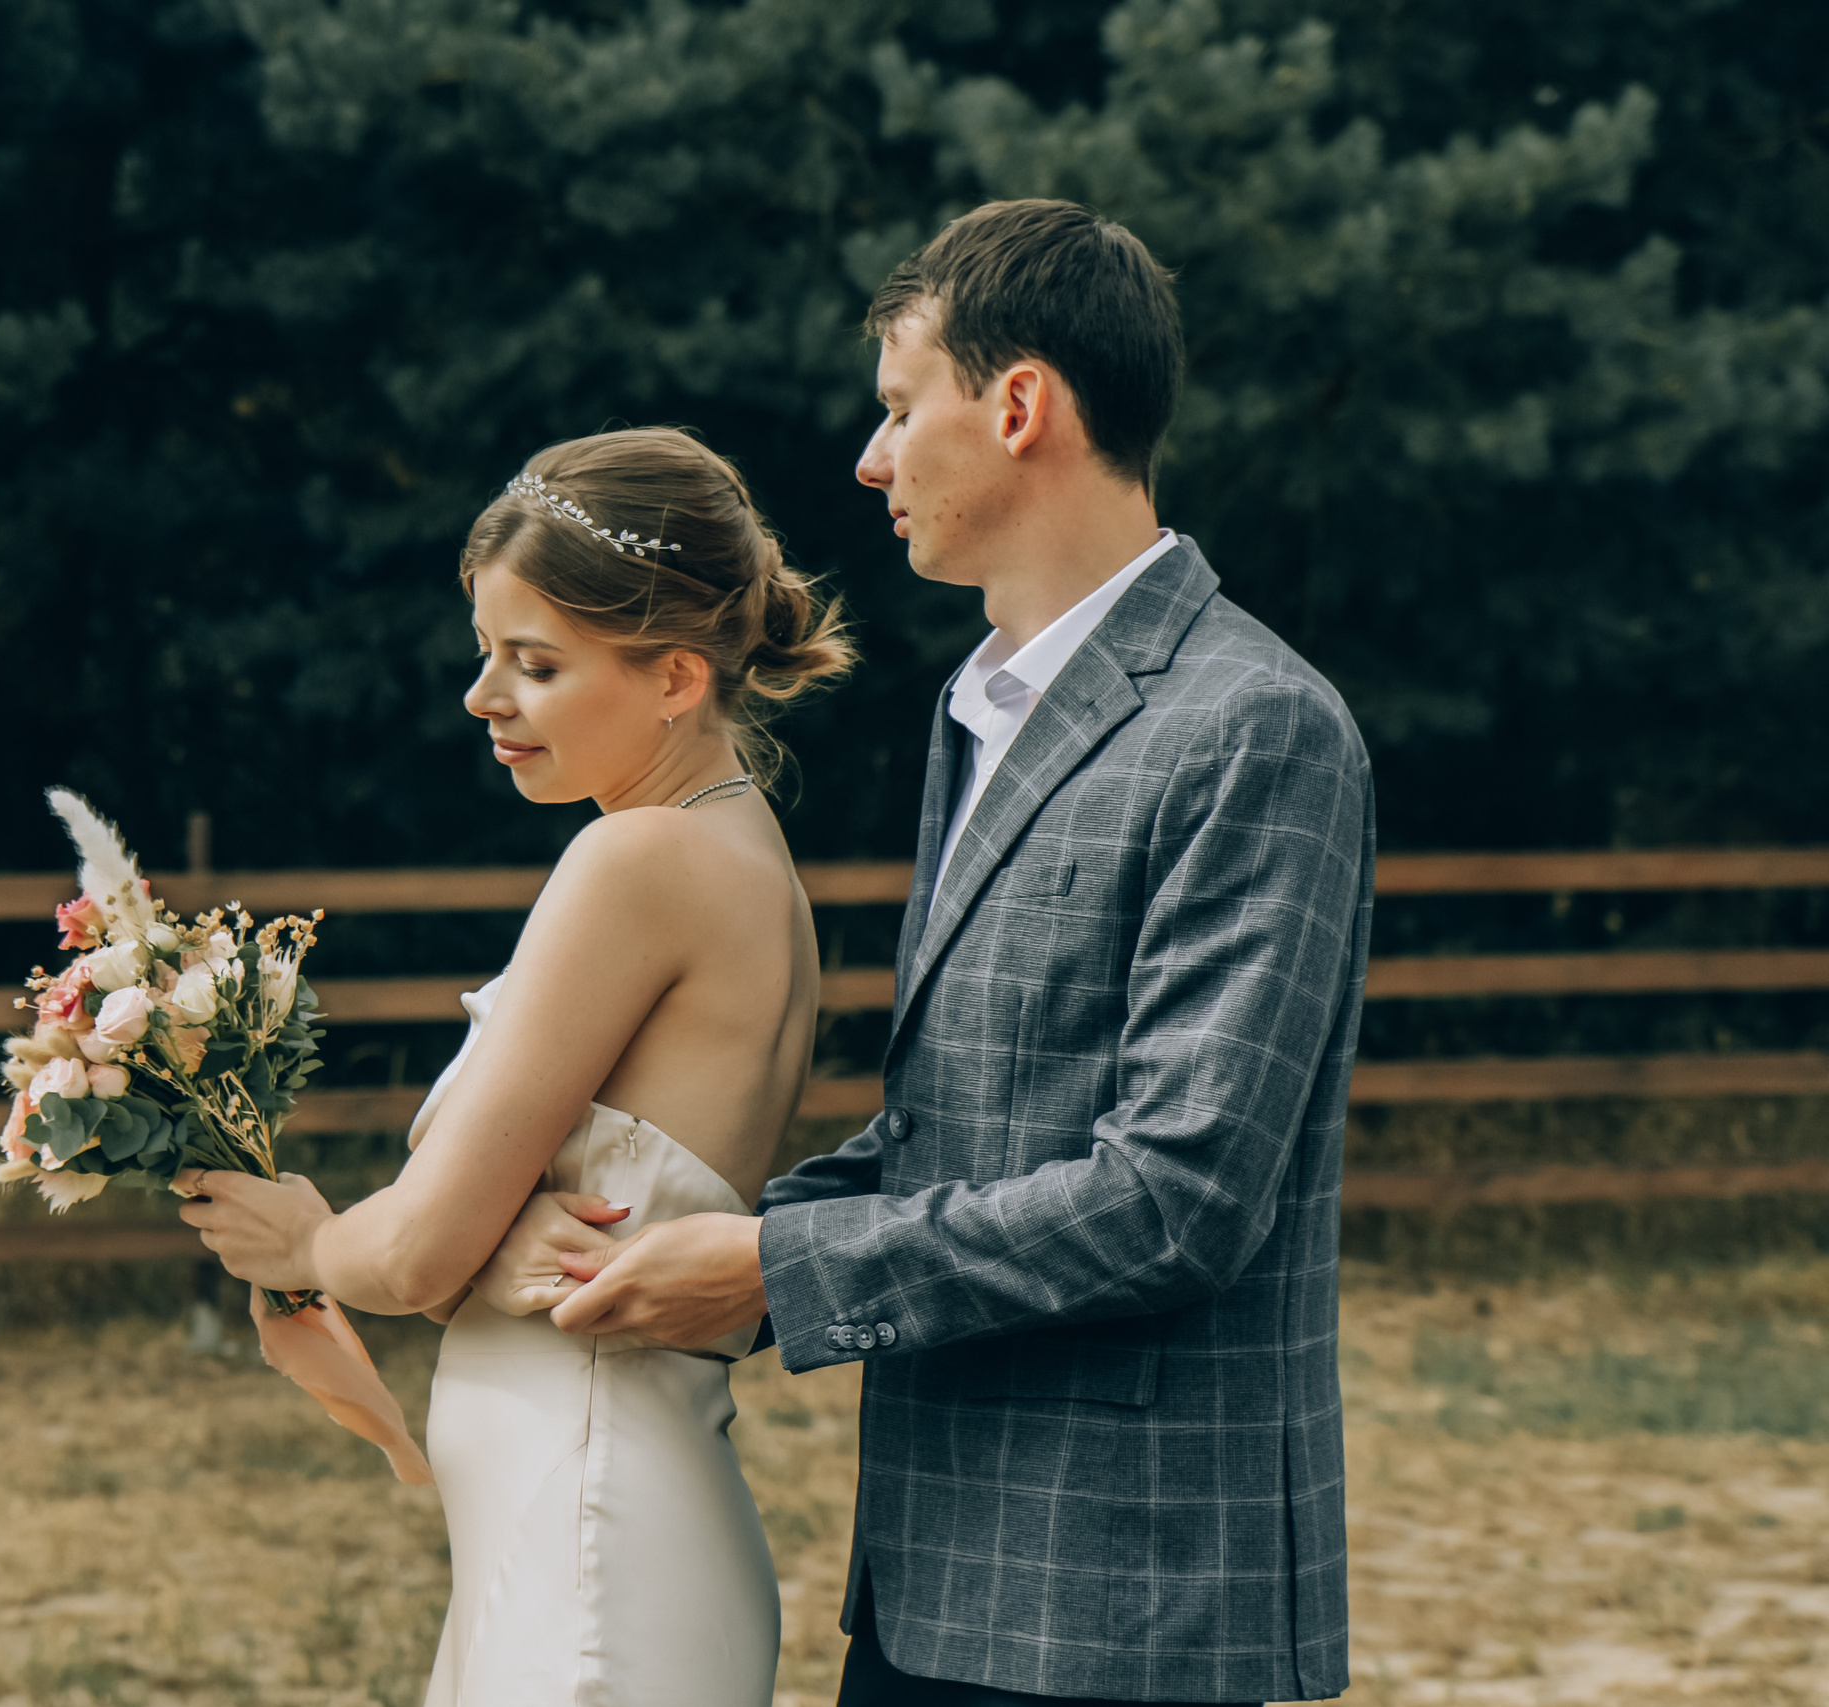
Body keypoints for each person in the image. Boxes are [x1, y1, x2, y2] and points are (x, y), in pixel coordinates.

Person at [537, 201, 1373, 1705]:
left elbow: (1177, 1194)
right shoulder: (981, 707)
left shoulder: (1255, 723)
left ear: (1019, 404)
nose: (870, 461)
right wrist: (675, 1222)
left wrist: (776, 1266)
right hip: (935, 1571)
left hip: (1127, 1600)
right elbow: (965, 1133)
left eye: (896, 406)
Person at [179, 425, 856, 1707]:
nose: (484, 699)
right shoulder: (736, 853)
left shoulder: (639, 861)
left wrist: (312, 1244)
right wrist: (482, 1242)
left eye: (534, 664)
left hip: (589, 1536)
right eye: (487, 654)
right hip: (589, 1515)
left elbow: (418, 1252)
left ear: (670, 677)